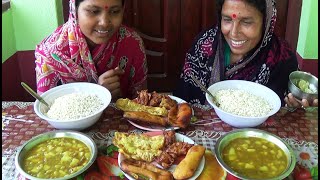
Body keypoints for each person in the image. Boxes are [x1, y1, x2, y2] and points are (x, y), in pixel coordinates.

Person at [173, 0, 318, 108]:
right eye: (227, 19)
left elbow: (289, 111)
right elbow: (181, 102)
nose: (234, 32)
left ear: (266, 21)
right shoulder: (204, 45)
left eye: (246, 22)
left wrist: (297, 108)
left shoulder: (282, 58)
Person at [35, 0, 148, 100]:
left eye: (114, 12)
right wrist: (98, 94)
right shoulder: (50, 53)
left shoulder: (132, 43)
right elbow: (47, 108)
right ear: (74, 10)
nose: (104, 22)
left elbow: (142, 101)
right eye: (94, 11)